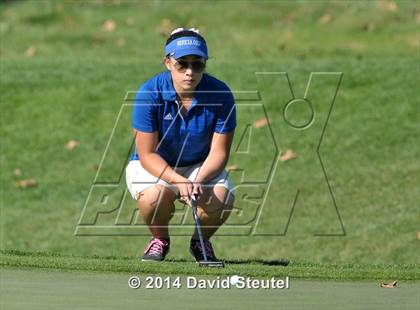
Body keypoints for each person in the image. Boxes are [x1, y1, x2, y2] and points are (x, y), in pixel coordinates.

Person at [125, 27, 236, 262]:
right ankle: (160, 240)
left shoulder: (221, 94)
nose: (189, 72)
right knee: (153, 198)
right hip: (156, 164)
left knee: (222, 199)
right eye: (182, 64)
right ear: (167, 62)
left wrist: (197, 179)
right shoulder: (149, 93)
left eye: (198, 64)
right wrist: (178, 180)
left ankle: (200, 243)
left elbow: (219, 152)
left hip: (198, 164)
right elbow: (147, 154)